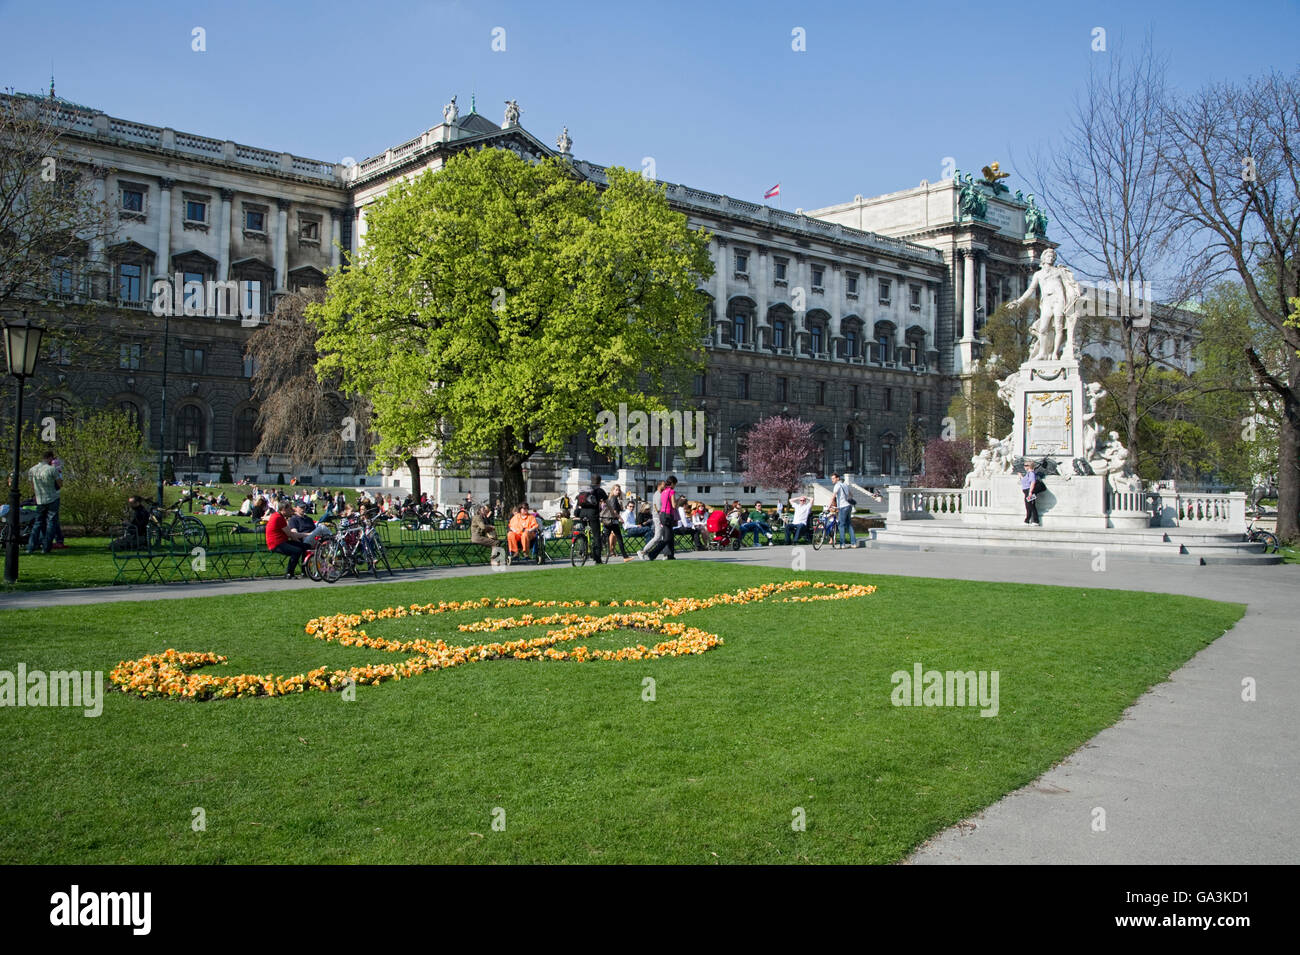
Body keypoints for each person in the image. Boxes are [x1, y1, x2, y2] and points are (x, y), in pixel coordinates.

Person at [25, 450, 62, 555]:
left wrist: (36, 494)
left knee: (38, 523)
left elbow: (32, 485)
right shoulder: (52, 470)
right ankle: (46, 547)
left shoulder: (32, 470)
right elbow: (60, 484)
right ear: (50, 458)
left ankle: (31, 546)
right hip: (52, 498)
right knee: (51, 523)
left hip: (40, 499)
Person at [265, 501, 308, 578]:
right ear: (284, 509)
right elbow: (290, 534)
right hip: (276, 544)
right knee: (297, 551)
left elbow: (290, 534)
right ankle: (289, 573)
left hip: (282, 541)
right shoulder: (278, 518)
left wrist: (303, 541)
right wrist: (300, 541)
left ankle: (304, 571)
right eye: (290, 509)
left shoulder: (277, 516)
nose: (292, 510)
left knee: (305, 547)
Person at [573, 474, 609, 563]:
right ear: (600, 482)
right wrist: (613, 513)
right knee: (596, 536)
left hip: (582, 514)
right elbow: (608, 503)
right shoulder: (599, 490)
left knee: (585, 531)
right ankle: (597, 558)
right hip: (593, 514)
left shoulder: (585, 490)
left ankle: (583, 548)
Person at [643, 476, 678, 560]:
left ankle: (670, 555)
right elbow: (673, 505)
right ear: (672, 483)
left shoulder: (663, 492)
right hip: (668, 515)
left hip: (662, 515)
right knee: (667, 538)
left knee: (670, 535)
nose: (675, 486)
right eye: (675, 484)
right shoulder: (671, 491)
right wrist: (678, 501)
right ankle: (652, 554)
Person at [601, 484, 634, 562]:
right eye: (616, 490)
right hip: (612, 521)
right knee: (619, 539)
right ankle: (625, 557)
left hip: (609, 521)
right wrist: (620, 518)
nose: (618, 491)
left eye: (619, 490)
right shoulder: (613, 498)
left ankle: (595, 551)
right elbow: (614, 511)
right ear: (612, 490)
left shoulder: (612, 498)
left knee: (604, 538)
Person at [831, 473, 856, 548]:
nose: (832, 480)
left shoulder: (837, 485)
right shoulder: (844, 484)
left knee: (841, 525)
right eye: (831, 478)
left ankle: (842, 544)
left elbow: (833, 497)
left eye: (833, 478)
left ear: (837, 478)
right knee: (849, 524)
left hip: (842, 507)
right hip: (848, 506)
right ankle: (853, 543)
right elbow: (851, 495)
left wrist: (829, 505)